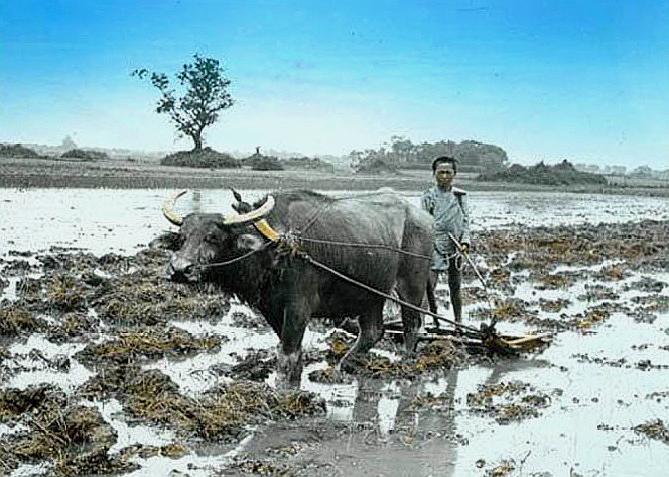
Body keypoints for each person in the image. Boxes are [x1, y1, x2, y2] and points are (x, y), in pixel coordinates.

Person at [421, 156, 471, 324]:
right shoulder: (428, 196)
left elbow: (465, 221)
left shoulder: (460, 196)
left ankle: (458, 322)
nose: (444, 176)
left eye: (448, 172)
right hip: (435, 244)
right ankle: (420, 323)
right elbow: (425, 222)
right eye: (440, 172)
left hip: (456, 245)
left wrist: (465, 242)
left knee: (455, 287)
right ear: (434, 174)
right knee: (429, 286)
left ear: (454, 174)